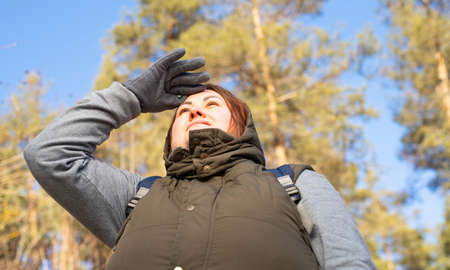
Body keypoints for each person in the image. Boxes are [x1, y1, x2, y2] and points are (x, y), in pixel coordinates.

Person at [24, 48, 376, 269]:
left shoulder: (292, 183)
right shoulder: (138, 197)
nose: (195, 112)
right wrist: (130, 97)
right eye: (184, 110)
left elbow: (349, 261)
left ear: (241, 126)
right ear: (170, 137)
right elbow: (50, 154)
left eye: (211, 105)